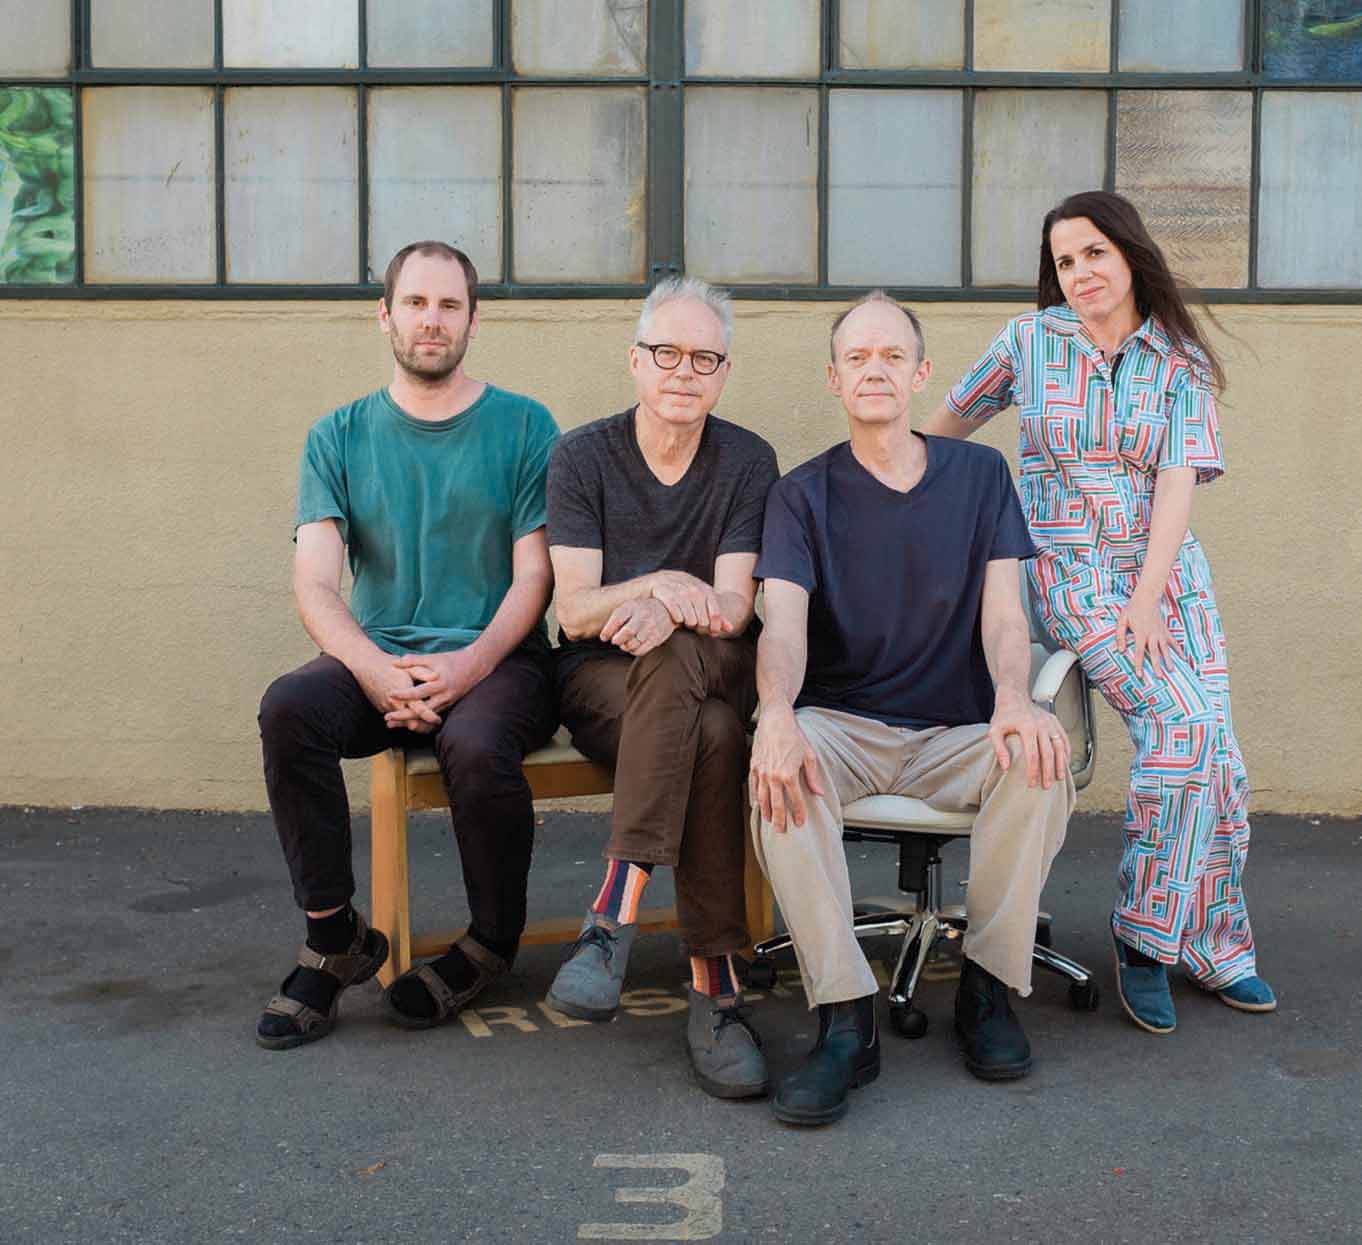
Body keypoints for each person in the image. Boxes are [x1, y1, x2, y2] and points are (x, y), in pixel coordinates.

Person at [924, 190, 1277, 1035]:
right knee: (1184, 728)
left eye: (1092, 254)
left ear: (1128, 254)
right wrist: (916, 506)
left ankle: (1217, 943)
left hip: (1168, 579)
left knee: (1217, 758)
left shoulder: (1178, 360)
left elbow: (1178, 484)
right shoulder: (1029, 342)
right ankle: (1144, 937)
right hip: (1073, 576)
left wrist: (1152, 597)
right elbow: (943, 430)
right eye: (1063, 261)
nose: (1078, 273)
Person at [750, 290, 1075, 1127]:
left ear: (921, 373)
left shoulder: (979, 476)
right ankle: (844, 1013)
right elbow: (782, 625)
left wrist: (1014, 699)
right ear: (834, 378)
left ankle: (989, 986)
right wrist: (776, 711)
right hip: (846, 727)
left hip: (956, 730)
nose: (875, 370)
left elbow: (1007, 615)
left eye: (893, 356)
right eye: (857, 357)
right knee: (780, 760)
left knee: (1038, 759)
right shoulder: (801, 494)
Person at [255, 241, 560, 1048]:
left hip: (501, 659)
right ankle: (334, 936)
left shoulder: (526, 425)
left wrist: (467, 665)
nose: (433, 320)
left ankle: (492, 939)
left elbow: (535, 578)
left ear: (473, 318)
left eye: (449, 305)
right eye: (417, 303)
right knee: (289, 708)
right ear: (385, 314)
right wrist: (373, 668)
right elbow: (317, 582)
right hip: (379, 656)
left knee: (475, 739)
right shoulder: (339, 435)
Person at [544, 277, 779, 1100]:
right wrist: (667, 584)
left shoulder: (747, 460)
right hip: (604, 681)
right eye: (667, 354)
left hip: (716, 657)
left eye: (704, 358)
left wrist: (673, 613)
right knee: (713, 734)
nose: (684, 371)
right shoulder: (581, 456)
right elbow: (573, 614)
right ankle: (716, 994)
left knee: (685, 658)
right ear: (635, 361)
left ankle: (613, 915)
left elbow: (738, 606)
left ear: (723, 372)